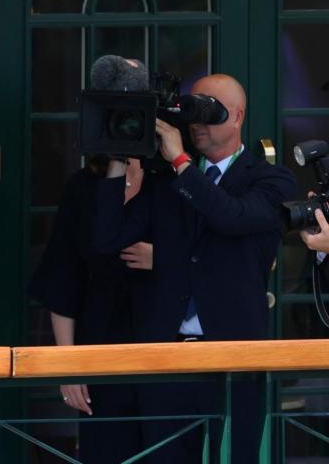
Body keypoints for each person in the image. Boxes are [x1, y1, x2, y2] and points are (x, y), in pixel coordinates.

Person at [94, 74, 295, 463]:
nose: (198, 122)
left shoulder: (271, 179)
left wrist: (182, 163)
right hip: (167, 356)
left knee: (238, 456)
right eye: (192, 110)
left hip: (235, 356)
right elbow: (105, 240)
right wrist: (118, 159)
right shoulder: (167, 181)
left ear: (237, 117)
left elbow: (230, 217)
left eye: (211, 111)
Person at [28, 155, 146, 463]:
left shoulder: (173, 180)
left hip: (164, 345)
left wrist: (164, 258)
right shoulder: (83, 187)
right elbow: (63, 277)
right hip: (101, 347)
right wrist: (68, 365)